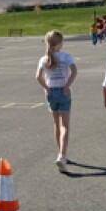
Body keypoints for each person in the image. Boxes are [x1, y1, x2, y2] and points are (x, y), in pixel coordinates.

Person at [35, 30, 77, 173]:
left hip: (51, 91)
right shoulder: (66, 57)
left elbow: (38, 77)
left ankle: (60, 151)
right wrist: (67, 85)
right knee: (65, 125)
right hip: (63, 90)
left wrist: (46, 87)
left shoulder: (44, 59)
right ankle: (63, 155)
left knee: (56, 123)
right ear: (59, 44)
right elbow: (74, 71)